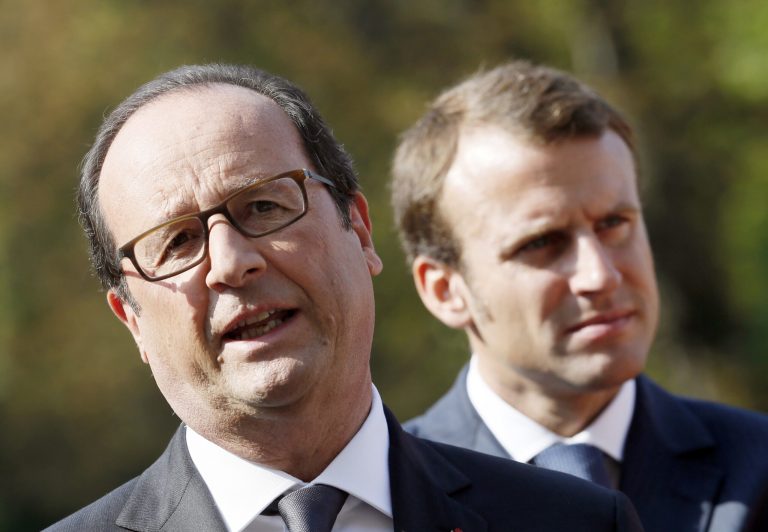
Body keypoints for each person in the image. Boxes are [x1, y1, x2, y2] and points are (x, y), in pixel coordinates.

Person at [45, 64, 643, 532]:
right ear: (133, 321)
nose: (231, 262)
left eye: (264, 206)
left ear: (359, 230)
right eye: (176, 242)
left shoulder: (577, 523)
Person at [391, 60, 768, 532]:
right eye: (542, 242)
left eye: (614, 224)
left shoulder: (758, 470)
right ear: (444, 290)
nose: (600, 275)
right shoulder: (388, 502)